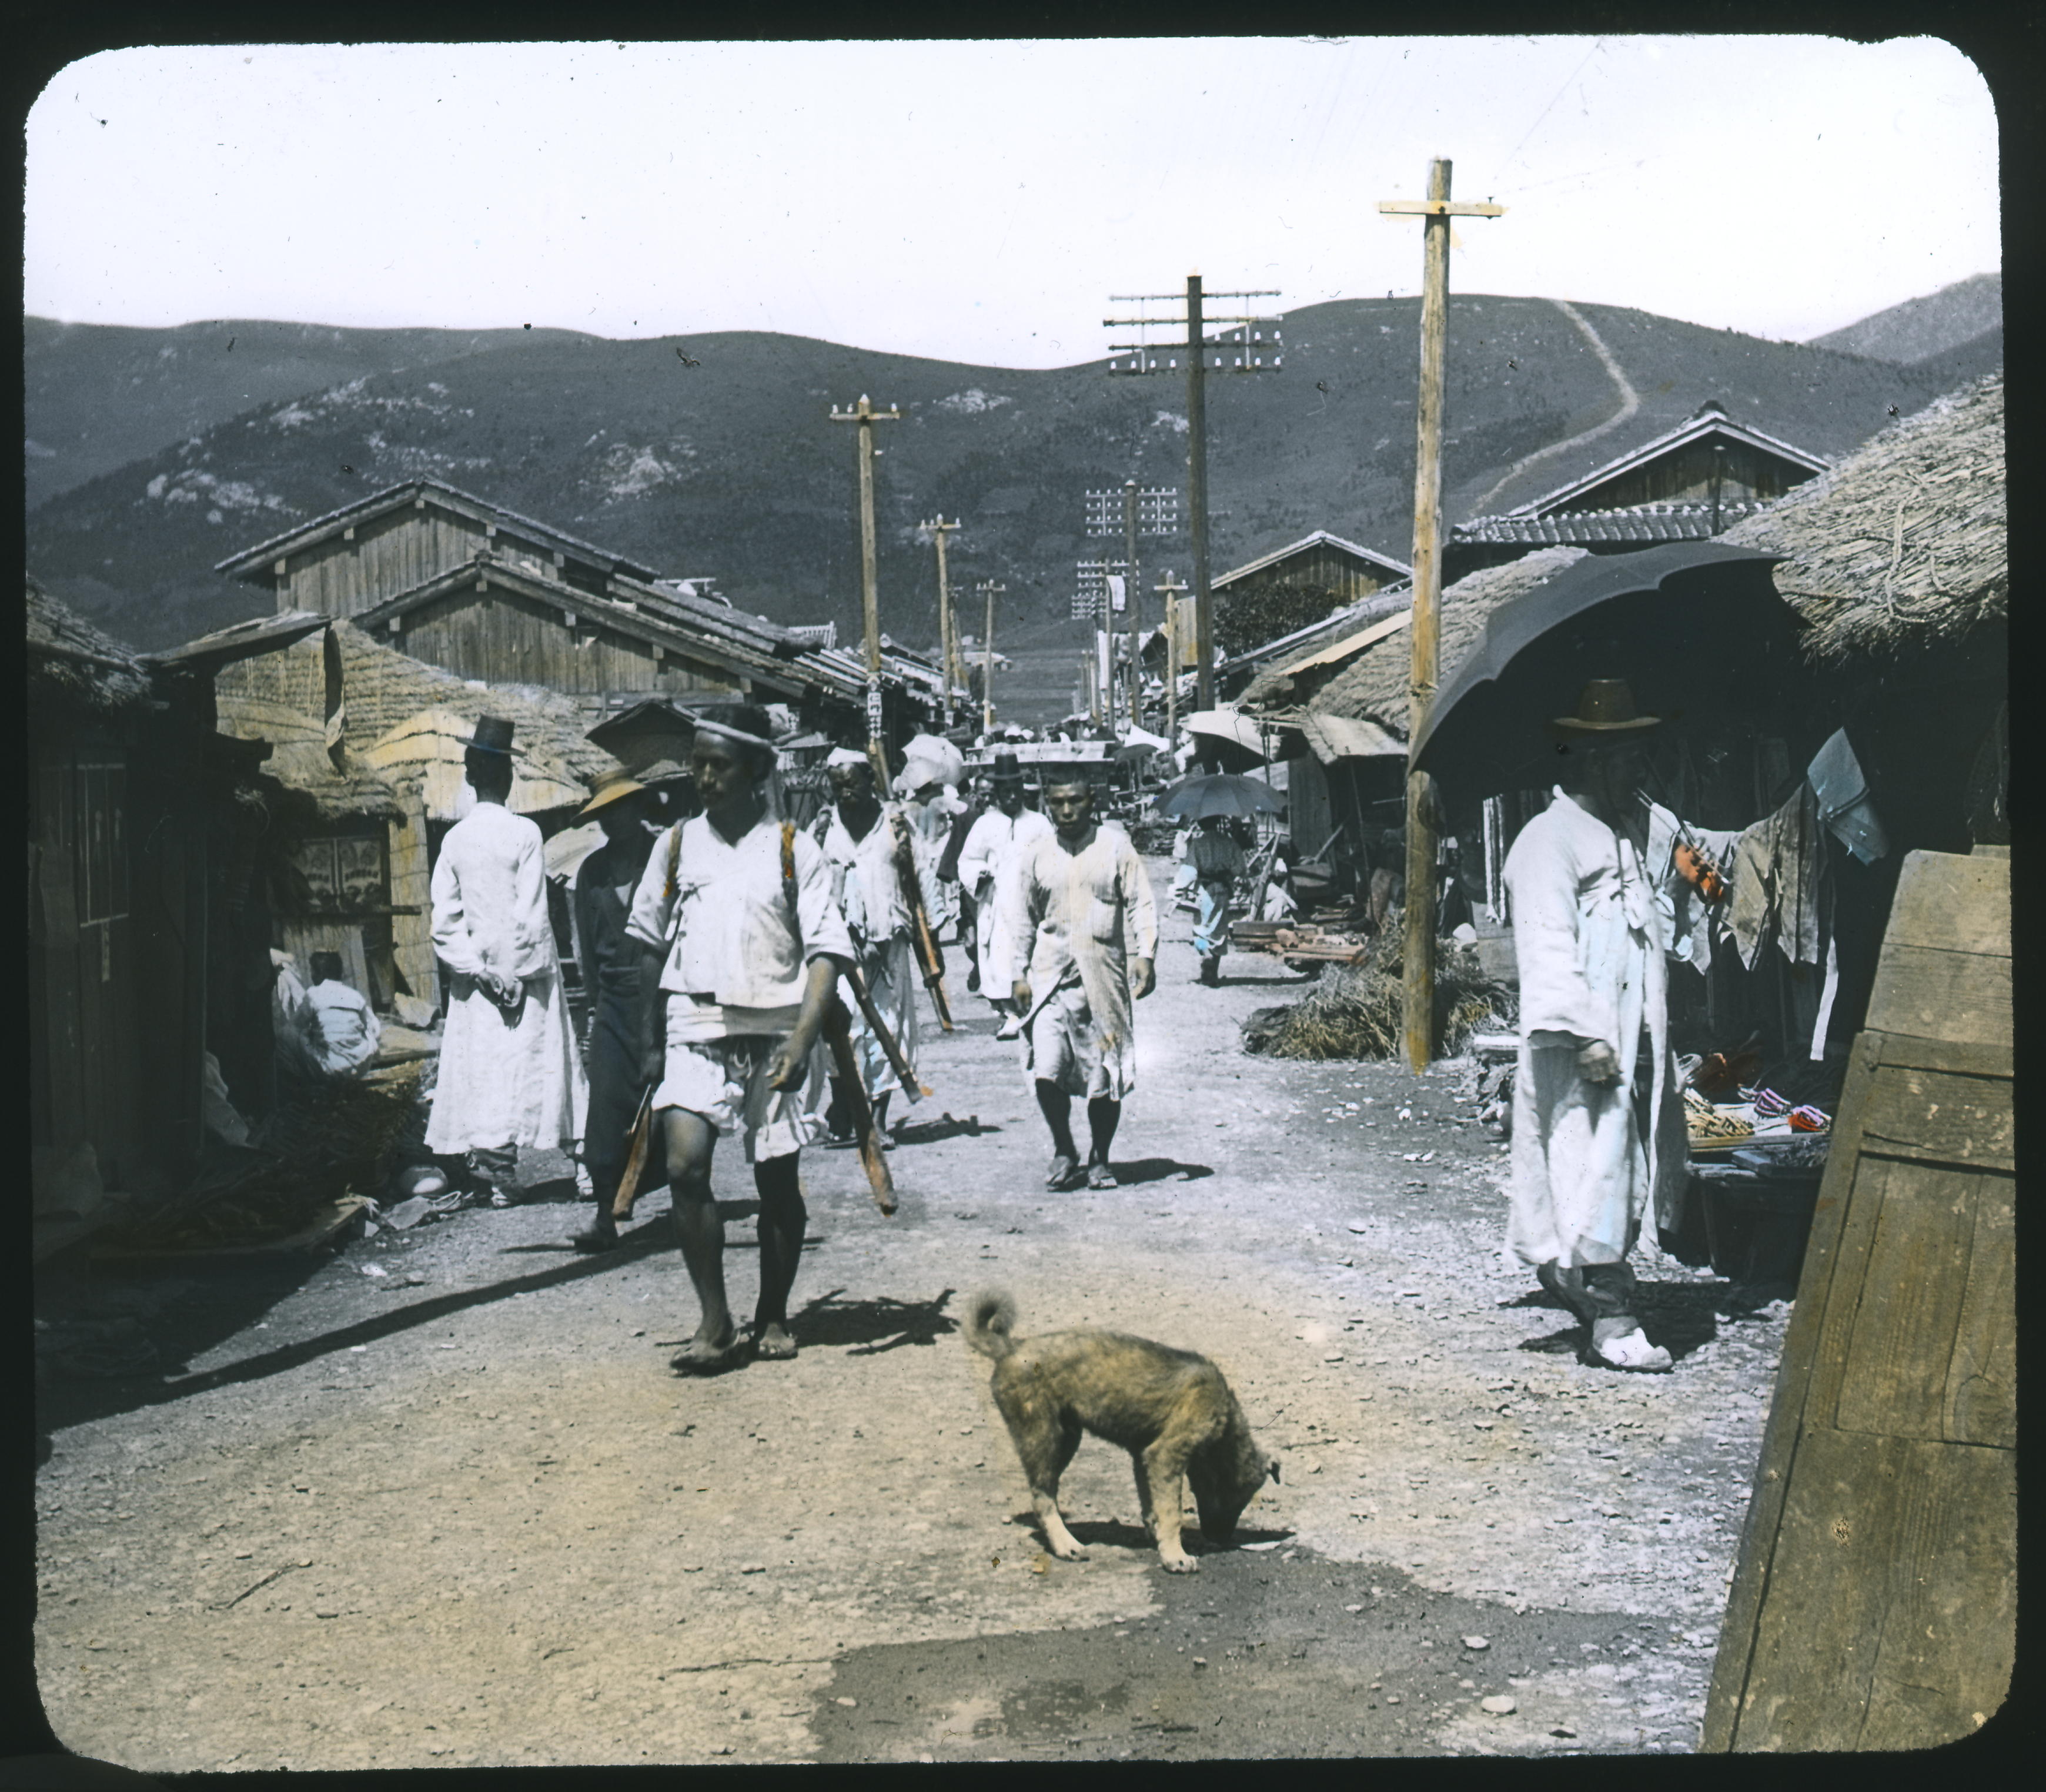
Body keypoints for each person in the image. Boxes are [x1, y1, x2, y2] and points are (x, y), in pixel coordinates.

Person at [624, 704, 855, 1372]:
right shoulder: (674, 846)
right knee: (683, 1166)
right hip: (695, 1024)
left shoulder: (791, 848)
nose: (702, 776)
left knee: (776, 1179)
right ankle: (715, 1320)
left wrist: (804, 1040)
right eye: (696, 762)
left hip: (776, 1029)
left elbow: (825, 954)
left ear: (757, 770)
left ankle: (774, 1312)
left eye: (718, 764)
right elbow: (645, 944)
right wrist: (647, 1042)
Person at [1502, 679, 1689, 1374]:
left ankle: (1577, 1279)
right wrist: (1587, 1035)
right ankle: (1613, 1320)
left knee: (1622, 1169)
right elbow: (1547, 945)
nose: (1639, 772)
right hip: (1585, 1045)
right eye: (1629, 759)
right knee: (1595, 1170)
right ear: (1592, 763)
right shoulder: (1547, 842)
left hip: (1634, 1034)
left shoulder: (1621, 838)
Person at [424, 716, 588, 1208]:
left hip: (479, 984)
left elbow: (444, 924)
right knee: (546, 1061)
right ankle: (583, 1170)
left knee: (489, 1070)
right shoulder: (526, 833)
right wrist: (518, 976)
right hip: (528, 976)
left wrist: (481, 972)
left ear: (471, 776)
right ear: (508, 776)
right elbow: (532, 912)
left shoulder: (454, 841)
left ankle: (500, 1179)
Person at [999, 776, 1158, 1191]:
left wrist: (1146, 954)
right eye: (1057, 803)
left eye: (1075, 801)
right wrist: (1018, 973)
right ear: (1047, 804)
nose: (1067, 811)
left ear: (1092, 800)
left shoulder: (1115, 847)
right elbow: (1023, 919)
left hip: (1102, 983)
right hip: (1049, 981)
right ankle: (1064, 1147)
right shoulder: (1036, 855)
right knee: (1046, 1071)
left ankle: (1100, 1158)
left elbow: (1141, 901)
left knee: (1103, 1077)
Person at [813, 747, 941, 1144]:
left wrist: (931, 941)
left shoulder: (895, 824)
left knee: (888, 1025)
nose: (845, 793)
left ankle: (878, 1120)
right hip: (836, 949)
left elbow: (921, 877)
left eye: (852, 784)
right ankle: (845, 1108)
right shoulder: (822, 830)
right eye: (837, 787)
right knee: (838, 1027)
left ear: (871, 781)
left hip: (889, 945)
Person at [567, 767, 666, 1251]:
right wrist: (592, 1007)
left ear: (638, 807)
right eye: (604, 814)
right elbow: (585, 946)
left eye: (620, 809)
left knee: (673, 1107)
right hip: (612, 1001)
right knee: (604, 1107)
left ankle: (687, 1200)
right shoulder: (592, 872)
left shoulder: (667, 857)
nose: (612, 821)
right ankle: (605, 1214)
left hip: (664, 995)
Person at [956, 751, 1054, 1017]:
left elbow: (1053, 858)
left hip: (1031, 902)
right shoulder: (985, 825)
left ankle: (1033, 1006)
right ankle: (1008, 1011)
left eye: (1016, 790)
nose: (1012, 796)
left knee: (1032, 952)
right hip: (998, 903)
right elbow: (967, 861)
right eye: (1006, 791)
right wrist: (981, 875)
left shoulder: (1039, 823)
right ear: (997, 793)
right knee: (1000, 955)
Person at [1186, 813, 1246, 985]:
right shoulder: (1229, 842)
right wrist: (1229, 872)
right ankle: (1213, 975)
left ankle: (1206, 956)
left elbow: (1189, 869)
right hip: (1221, 889)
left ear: (1200, 825)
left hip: (1203, 891)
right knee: (1219, 931)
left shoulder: (1197, 844)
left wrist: (1179, 890)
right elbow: (1241, 868)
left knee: (1200, 929)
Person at [303, 951, 383, 1075]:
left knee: (295, 1034)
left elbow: (294, 1029)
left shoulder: (312, 994)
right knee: (367, 1026)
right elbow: (374, 1029)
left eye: (313, 971)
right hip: (360, 1066)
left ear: (319, 973)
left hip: (328, 1069)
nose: (311, 975)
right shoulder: (354, 995)